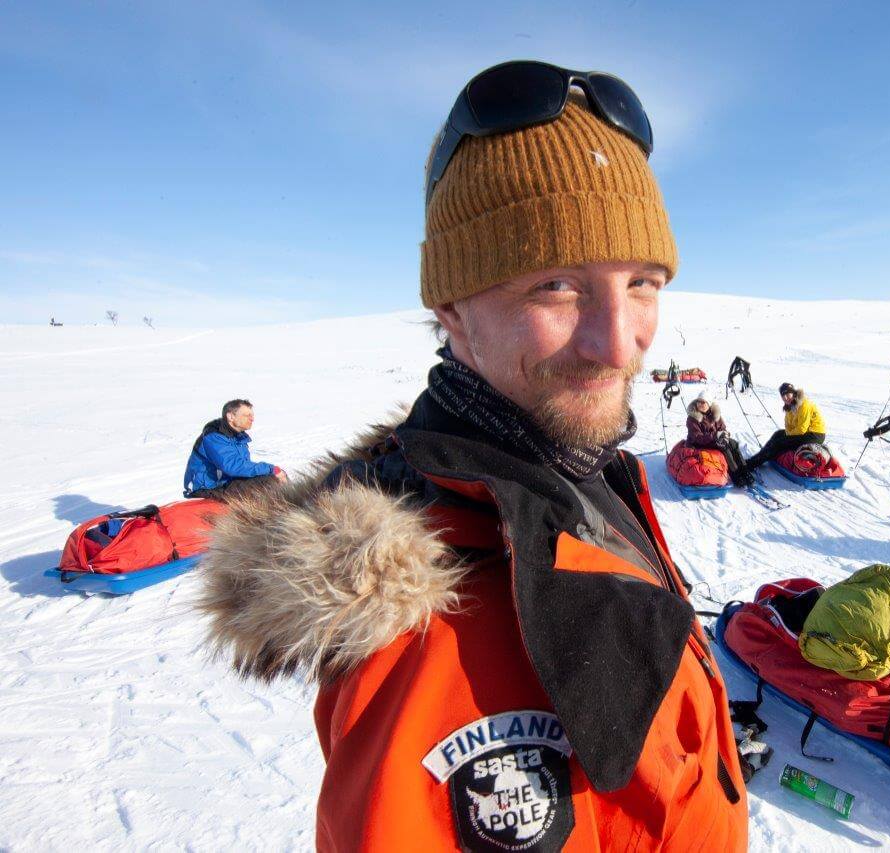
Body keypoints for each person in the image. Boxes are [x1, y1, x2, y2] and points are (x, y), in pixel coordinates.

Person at [198, 61, 747, 852]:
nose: (619, 341)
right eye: (557, 285)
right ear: (450, 307)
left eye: (642, 282)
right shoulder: (429, 635)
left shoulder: (577, 469)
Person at [182, 399, 285, 499]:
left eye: (252, 415)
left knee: (277, 475)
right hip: (205, 489)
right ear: (231, 417)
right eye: (247, 415)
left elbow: (243, 466)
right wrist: (270, 469)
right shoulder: (213, 437)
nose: (252, 419)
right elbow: (233, 466)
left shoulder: (238, 438)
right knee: (269, 480)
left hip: (225, 483)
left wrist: (271, 471)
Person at [742, 382, 827, 472]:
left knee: (780, 443)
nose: (786, 397)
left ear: (793, 393)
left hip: (815, 434)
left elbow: (802, 429)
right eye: (783, 395)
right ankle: (763, 454)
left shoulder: (804, 404)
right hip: (804, 433)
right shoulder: (789, 407)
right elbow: (788, 426)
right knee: (778, 434)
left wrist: (788, 434)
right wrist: (788, 433)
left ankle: (753, 463)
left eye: (788, 394)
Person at [686, 395, 753, 487]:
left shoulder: (715, 414)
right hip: (699, 444)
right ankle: (736, 475)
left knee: (733, 443)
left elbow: (723, 428)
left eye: (703, 402)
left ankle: (745, 472)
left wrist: (725, 435)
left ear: (709, 404)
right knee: (724, 447)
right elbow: (697, 437)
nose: (700, 404)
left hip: (713, 440)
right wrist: (715, 436)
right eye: (698, 402)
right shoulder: (692, 418)